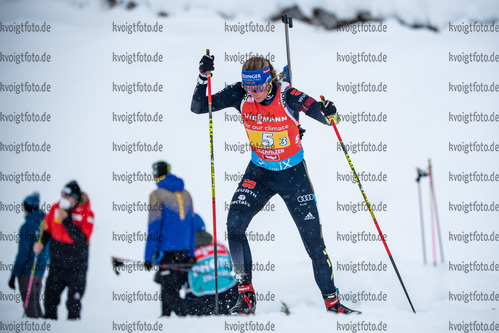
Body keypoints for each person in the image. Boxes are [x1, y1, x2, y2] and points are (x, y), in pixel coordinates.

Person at [191, 54, 357, 314]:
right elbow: (199, 107)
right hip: (259, 174)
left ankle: (332, 301)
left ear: (269, 81)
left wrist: (329, 112)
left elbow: (322, 114)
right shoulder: (240, 94)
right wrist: (203, 78)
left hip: (293, 176)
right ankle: (245, 296)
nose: (253, 93)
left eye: (258, 87)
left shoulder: (287, 95)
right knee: (234, 226)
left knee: (313, 242)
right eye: (249, 87)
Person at [33, 180, 94, 320]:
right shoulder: (55, 208)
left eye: (67, 196)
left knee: (73, 304)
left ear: (75, 198)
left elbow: (83, 240)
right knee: (50, 300)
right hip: (57, 265)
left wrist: (66, 220)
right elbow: (47, 229)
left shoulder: (87, 213)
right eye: (62, 195)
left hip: (76, 267)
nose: (63, 199)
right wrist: (41, 243)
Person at [144, 161, 196, 317]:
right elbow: (192, 225)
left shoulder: (156, 195)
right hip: (184, 251)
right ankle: (165, 319)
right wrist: (191, 253)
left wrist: (148, 256)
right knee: (171, 288)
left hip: (167, 252)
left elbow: (154, 228)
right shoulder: (186, 193)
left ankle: (187, 319)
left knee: (168, 293)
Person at [185, 214, 238, 316]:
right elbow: (231, 267)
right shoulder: (219, 245)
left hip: (201, 302)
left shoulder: (189, 252)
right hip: (229, 297)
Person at [8, 192, 50, 318]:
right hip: (40, 271)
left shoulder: (27, 227)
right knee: (35, 306)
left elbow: (23, 253)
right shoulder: (45, 224)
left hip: (27, 272)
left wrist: (14, 274)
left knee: (31, 310)